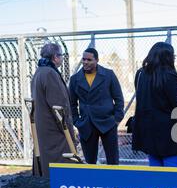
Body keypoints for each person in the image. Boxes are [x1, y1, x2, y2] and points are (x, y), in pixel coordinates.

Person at [132, 42, 177, 167]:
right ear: (167, 57)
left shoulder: (141, 74)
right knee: (172, 177)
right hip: (169, 134)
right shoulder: (169, 75)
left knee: (156, 175)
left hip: (148, 131)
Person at [69, 48, 124, 165]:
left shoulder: (109, 75)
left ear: (97, 60)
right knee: (90, 162)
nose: (85, 62)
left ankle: (113, 182)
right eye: (83, 59)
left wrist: (116, 119)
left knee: (113, 160)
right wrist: (77, 121)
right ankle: (92, 182)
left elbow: (118, 98)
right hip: (86, 124)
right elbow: (72, 104)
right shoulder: (75, 79)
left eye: (89, 59)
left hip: (108, 123)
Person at [30, 43, 76, 178]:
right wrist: (69, 133)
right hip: (55, 133)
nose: (62, 58)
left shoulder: (39, 72)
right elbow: (59, 108)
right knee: (62, 173)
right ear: (55, 57)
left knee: (46, 166)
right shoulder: (50, 73)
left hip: (45, 129)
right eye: (61, 55)